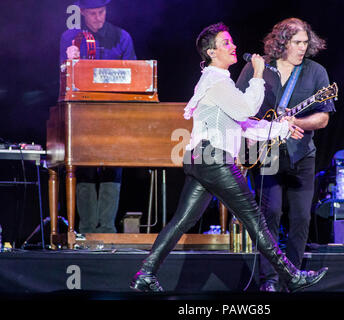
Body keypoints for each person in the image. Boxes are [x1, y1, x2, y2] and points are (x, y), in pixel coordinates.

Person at [130, 22, 327, 293]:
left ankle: (145, 274)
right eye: (226, 43)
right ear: (211, 52)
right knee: (254, 219)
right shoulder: (215, 81)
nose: (233, 46)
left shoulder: (221, 82)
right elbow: (247, 108)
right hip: (215, 159)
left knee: (182, 220)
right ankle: (291, 276)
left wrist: (282, 129)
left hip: (203, 159)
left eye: (232, 42)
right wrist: (258, 74)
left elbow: (244, 124)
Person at [236, 18, 336, 292]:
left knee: (302, 217)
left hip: (302, 154)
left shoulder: (316, 72)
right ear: (282, 42)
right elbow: (238, 108)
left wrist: (297, 123)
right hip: (266, 154)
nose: (303, 48)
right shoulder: (257, 68)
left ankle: (292, 279)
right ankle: (269, 280)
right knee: (271, 212)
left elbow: (323, 118)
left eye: (306, 42)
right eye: (297, 43)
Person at [59, 0, 136, 233]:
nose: (98, 18)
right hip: (83, 113)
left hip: (114, 113)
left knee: (113, 167)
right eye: (92, 14)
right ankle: (87, 229)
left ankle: (107, 229)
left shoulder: (122, 37)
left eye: (101, 12)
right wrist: (68, 61)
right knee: (85, 168)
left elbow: (134, 75)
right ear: (82, 13)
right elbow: (63, 77)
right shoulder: (70, 37)